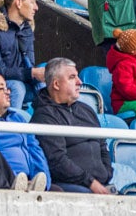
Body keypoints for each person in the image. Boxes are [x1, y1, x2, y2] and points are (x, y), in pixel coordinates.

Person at [30, 58, 113, 194]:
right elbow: (57, 161)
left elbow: (103, 147)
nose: (79, 82)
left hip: (100, 184)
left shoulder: (87, 110)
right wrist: (91, 182)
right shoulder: (44, 116)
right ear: (56, 84)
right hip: (71, 186)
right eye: (72, 77)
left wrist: (107, 175)